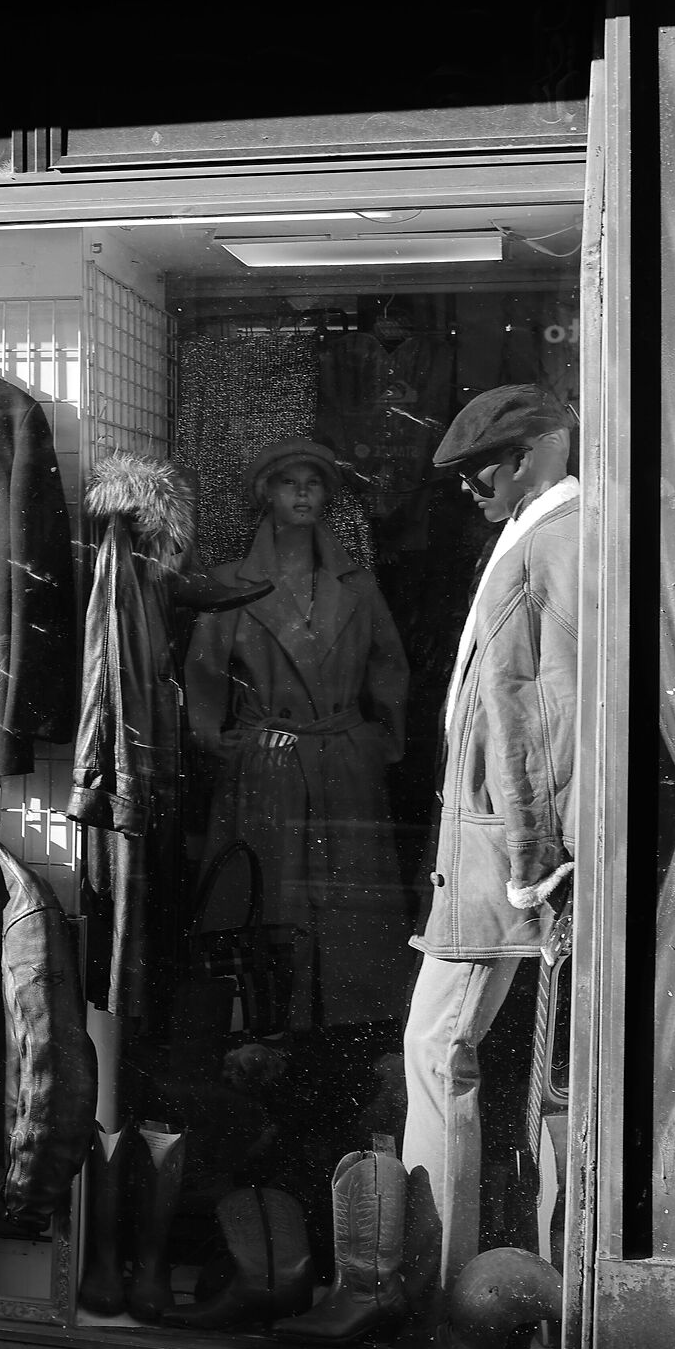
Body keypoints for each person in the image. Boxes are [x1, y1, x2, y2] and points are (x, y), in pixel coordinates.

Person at [401, 386, 581, 1292]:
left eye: (489, 465)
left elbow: (526, 720)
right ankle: (532, 1285)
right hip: (519, 844)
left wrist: (527, 858)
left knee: (436, 1046)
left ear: (537, 454)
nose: (475, 483)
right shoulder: (565, 536)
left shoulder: (539, 548)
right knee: (556, 1065)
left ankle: (438, 1292)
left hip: (501, 851)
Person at [185, 436, 411, 1026]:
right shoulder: (230, 583)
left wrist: (376, 745)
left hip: (343, 762)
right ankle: (264, 1027)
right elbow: (203, 675)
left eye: (313, 482)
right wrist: (218, 741)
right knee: (264, 900)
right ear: (266, 493)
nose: (303, 492)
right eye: (289, 482)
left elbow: (390, 668)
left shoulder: (358, 587)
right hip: (267, 762)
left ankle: (353, 1027)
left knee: (349, 908)